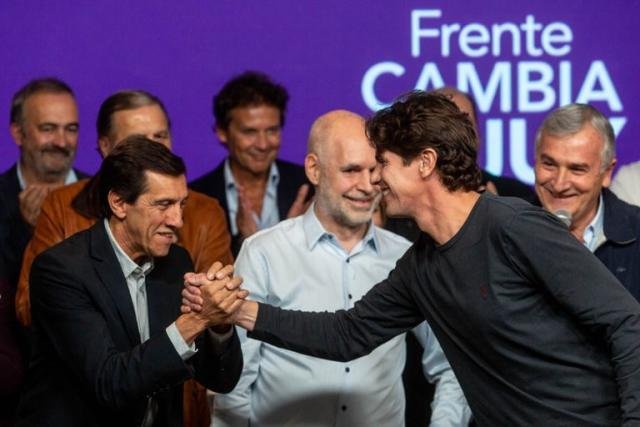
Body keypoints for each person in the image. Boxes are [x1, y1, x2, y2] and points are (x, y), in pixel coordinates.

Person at [184, 91, 640, 426]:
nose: (374, 180)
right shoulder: (420, 264)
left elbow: (625, 322)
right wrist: (237, 310)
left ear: (424, 163)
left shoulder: (514, 225)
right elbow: (346, 333)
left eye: (382, 163)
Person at [212, 110, 470, 426]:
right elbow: (236, 379)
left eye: (375, 169)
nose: (367, 185)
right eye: (351, 170)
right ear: (314, 169)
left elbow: (451, 363)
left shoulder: (405, 257)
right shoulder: (265, 253)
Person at [14, 89, 233, 427]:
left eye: (181, 204)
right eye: (163, 205)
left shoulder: (176, 262)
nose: (178, 220)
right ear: (118, 203)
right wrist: (196, 321)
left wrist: (219, 324)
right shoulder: (61, 270)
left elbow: (221, 379)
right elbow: (110, 383)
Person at [190, 71, 311, 256]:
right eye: (249, 132)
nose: (263, 144)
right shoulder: (195, 197)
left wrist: (297, 238)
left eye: (272, 130)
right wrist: (244, 242)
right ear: (222, 132)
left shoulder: (308, 187)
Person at [534, 103, 640, 300]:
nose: (559, 184)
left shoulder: (636, 232)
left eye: (577, 169)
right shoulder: (504, 233)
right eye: (549, 164)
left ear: (606, 173)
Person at [0, 78, 86, 288]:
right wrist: (28, 232)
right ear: (18, 133)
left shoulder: (99, 196)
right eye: (48, 129)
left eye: (71, 129)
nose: (61, 142)